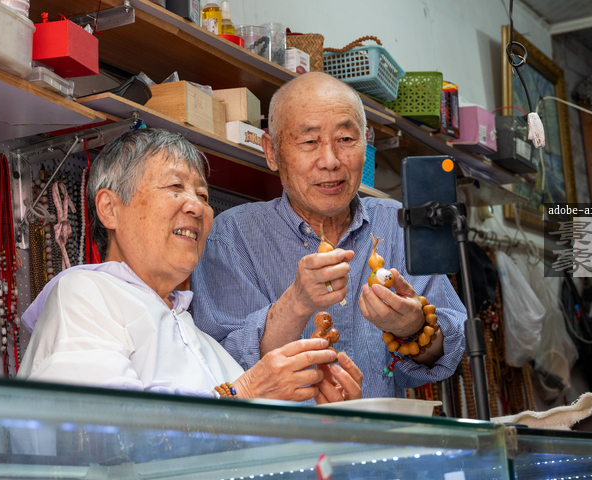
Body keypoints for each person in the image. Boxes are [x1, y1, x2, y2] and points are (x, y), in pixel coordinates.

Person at [17, 128, 362, 405]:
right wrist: (246, 391)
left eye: (203, 196)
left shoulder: (202, 342)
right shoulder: (86, 294)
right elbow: (104, 431)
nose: (197, 207)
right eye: (175, 187)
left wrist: (325, 417)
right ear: (110, 208)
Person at [191, 73, 467, 399]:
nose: (331, 161)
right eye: (309, 142)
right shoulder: (230, 236)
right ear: (272, 152)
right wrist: (296, 303)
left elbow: (449, 352)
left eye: (346, 139)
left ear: (365, 143)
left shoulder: (398, 224)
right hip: (281, 433)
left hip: (375, 430)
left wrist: (414, 328)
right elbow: (220, 369)